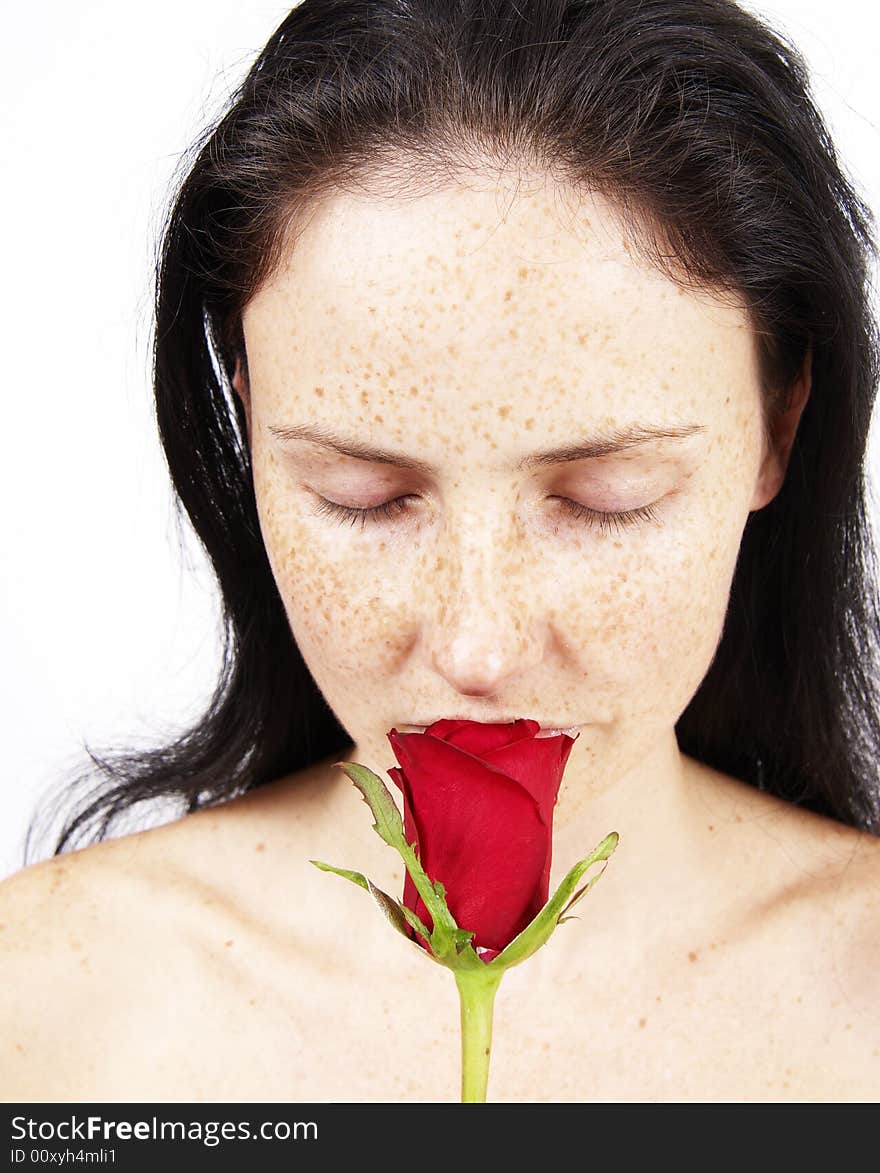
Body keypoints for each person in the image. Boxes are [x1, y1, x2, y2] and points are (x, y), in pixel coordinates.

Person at [2, 0, 880, 1103]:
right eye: (362, 497)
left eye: (604, 499)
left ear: (779, 426)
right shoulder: (41, 1008)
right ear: (248, 419)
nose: (478, 645)